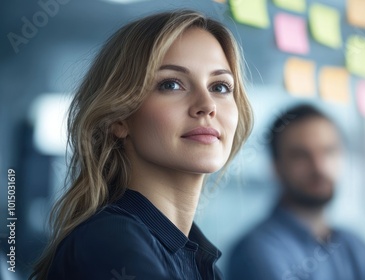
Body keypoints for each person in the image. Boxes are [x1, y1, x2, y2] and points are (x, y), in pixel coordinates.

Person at [30, 10, 253, 280]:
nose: (207, 106)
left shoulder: (195, 259)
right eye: (171, 84)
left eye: (220, 87)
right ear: (119, 118)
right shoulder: (110, 240)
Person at [227, 104, 365, 280]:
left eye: (329, 151)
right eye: (301, 155)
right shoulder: (257, 251)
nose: (319, 167)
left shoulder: (355, 246)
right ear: (276, 167)